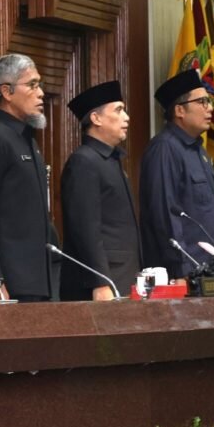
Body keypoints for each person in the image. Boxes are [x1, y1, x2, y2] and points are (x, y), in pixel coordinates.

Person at [0, 53, 58, 303]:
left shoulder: (26, 139)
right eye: (32, 85)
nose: (41, 93)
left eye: (39, 85)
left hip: (38, 279)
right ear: (6, 92)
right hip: (9, 284)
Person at [140, 69, 214, 279]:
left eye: (209, 102)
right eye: (202, 102)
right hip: (186, 274)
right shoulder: (165, 149)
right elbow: (165, 216)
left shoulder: (197, 150)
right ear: (180, 111)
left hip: (212, 270)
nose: (210, 109)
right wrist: (180, 271)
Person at [60, 80, 142, 301]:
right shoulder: (83, 161)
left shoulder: (110, 159)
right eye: (118, 110)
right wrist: (100, 281)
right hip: (103, 281)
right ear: (96, 119)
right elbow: (85, 228)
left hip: (124, 274)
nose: (127, 118)